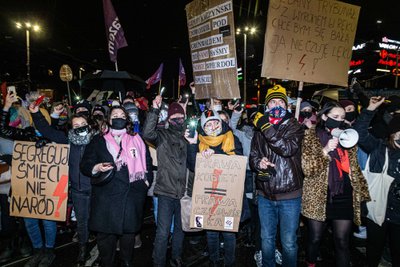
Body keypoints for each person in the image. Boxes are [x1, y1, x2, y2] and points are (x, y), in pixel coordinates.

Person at [301, 101, 370, 267]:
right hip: (319, 195)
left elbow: (353, 168)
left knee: (342, 241)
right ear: (324, 117)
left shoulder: (348, 136)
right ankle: (311, 263)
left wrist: (361, 193)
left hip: (344, 194)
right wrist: (325, 150)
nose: (339, 120)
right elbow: (308, 169)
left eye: (342, 117)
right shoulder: (311, 135)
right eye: (335, 117)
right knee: (315, 238)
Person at [80, 106, 151, 267]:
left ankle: (126, 261)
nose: (118, 117)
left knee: (128, 234)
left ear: (127, 119)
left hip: (132, 194)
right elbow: (85, 164)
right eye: (115, 115)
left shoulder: (137, 139)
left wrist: (144, 184)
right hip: (106, 196)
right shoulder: (98, 140)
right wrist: (97, 167)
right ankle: (107, 263)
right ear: (108, 119)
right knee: (106, 237)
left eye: (122, 115)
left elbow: (147, 162)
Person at [30, 103, 96, 266]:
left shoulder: (97, 139)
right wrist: (36, 114)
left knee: (98, 220)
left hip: (97, 190)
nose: (79, 127)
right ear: (71, 127)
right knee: (82, 222)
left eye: (82, 124)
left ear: (88, 124)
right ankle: (83, 249)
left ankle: (102, 247)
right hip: (79, 191)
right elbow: (47, 131)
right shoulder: (68, 140)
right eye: (76, 125)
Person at [249, 84, 304, 267]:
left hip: (289, 196)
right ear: (267, 107)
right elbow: (253, 157)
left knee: (288, 242)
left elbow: (286, 149)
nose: (276, 105)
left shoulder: (295, 126)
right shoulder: (259, 130)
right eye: (272, 102)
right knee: (266, 239)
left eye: (281, 101)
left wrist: (265, 126)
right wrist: (259, 164)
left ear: (287, 106)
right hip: (265, 195)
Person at [143, 96, 195, 267]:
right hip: (165, 191)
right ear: (168, 119)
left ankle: (176, 256)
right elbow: (147, 133)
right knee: (163, 231)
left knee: (180, 229)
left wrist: (193, 143)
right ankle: (158, 261)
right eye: (173, 118)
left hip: (183, 192)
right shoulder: (162, 136)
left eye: (180, 117)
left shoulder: (189, 136)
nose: (177, 120)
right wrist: (154, 110)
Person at [353, 96, 400, 267]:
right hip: (379, 210)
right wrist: (369, 110)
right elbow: (359, 134)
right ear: (393, 133)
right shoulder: (380, 148)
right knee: (373, 251)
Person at [196, 110, 243, 267]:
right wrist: (201, 154)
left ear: (221, 123)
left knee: (229, 232)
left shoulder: (232, 138)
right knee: (211, 232)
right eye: (208, 124)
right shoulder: (200, 142)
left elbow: (239, 162)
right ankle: (214, 261)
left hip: (228, 195)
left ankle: (229, 262)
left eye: (215, 122)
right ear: (203, 127)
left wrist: (218, 154)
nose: (213, 126)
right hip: (209, 194)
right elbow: (192, 164)